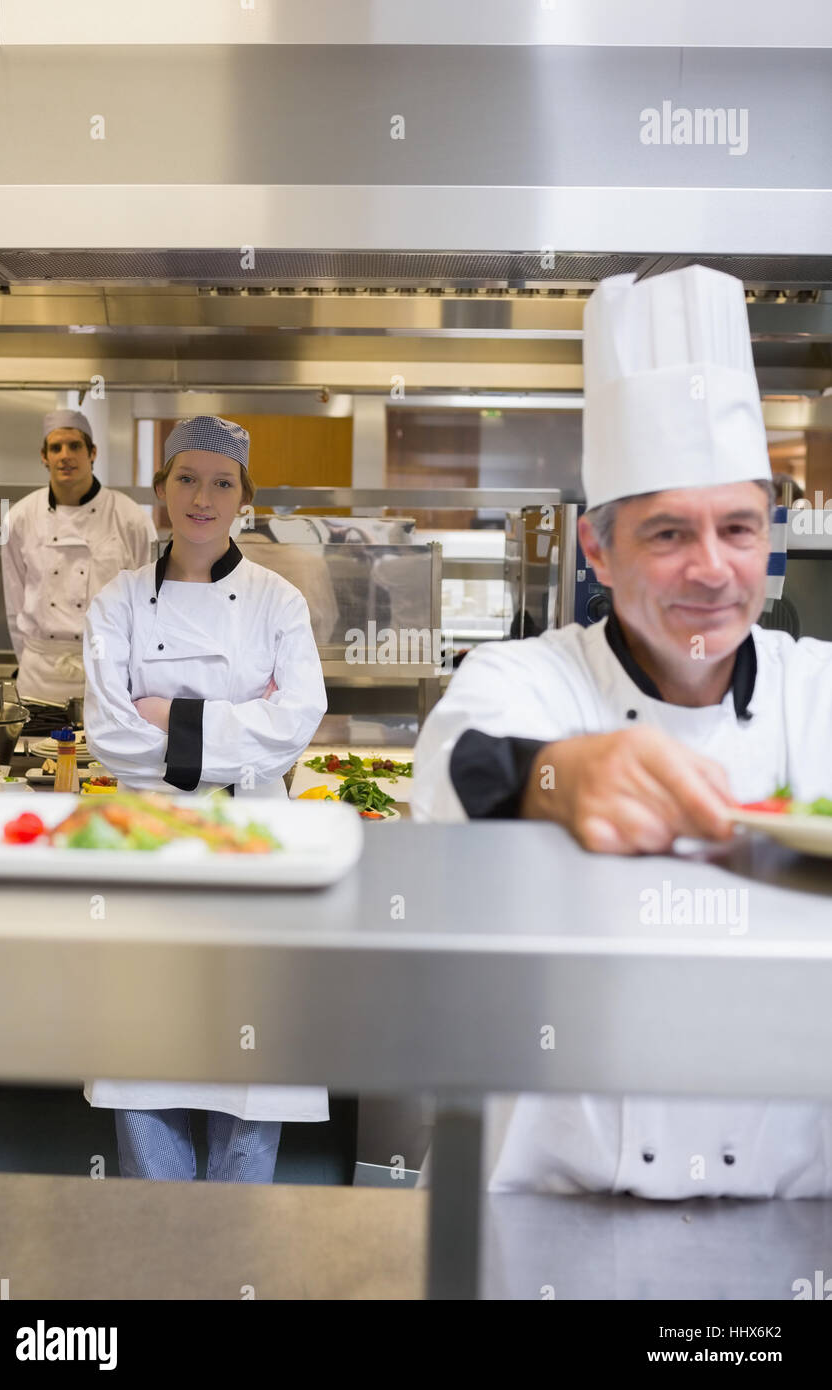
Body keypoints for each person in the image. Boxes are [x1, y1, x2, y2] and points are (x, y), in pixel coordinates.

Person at [412, 265, 832, 1198]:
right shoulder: (527, 676)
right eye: (669, 534)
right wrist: (560, 778)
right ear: (597, 549)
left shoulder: (820, 692)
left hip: (785, 1223)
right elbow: (454, 765)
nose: (714, 570)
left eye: (738, 528)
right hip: (539, 1211)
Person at [82, 415, 329, 1181]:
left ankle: (237, 1249)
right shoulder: (118, 600)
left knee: (252, 1062)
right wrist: (232, 720)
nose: (202, 496)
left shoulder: (277, 600)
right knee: (145, 1047)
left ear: (243, 499)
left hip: (254, 844)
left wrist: (171, 715)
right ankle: (161, 1253)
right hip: (146, 841)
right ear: (160, 490)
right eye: (186, 478)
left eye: (222, 483)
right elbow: (109, 733)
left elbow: (295, 723)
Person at [1, 409, 156, 705]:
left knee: (101, 752)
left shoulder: (130, 518)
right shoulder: (18, 519)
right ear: (44, 456)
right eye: (55, 448)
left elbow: (145, 605)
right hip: (38, 676)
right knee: (34, 752)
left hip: (105, 669)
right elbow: (14, 603)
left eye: (75, 446)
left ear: (92, 452)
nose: (65, 455)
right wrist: (29, 657)